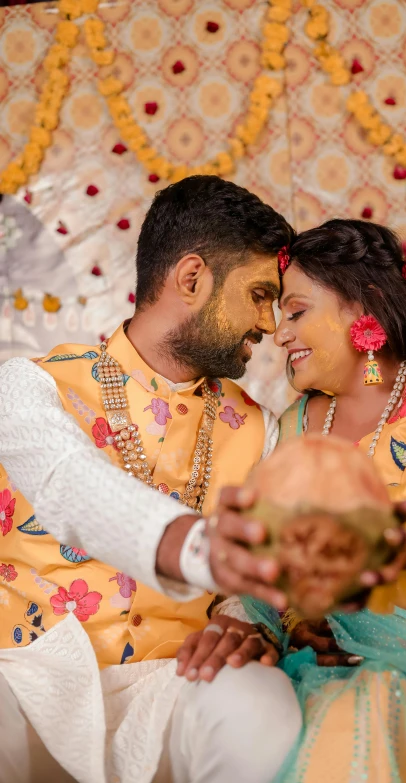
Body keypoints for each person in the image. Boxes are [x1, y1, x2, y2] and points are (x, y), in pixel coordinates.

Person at [182, 219, 406, 782]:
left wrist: (371, 594)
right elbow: (272, 557)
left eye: (295, 312)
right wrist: (296, 618)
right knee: (334, 722)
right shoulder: (295, 426)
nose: (279, 333)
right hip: (350, 657)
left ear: (367, 306)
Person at [0, 176, 304, 783]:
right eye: (260, 294)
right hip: (23, 674)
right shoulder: (28, 386)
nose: (269, 324)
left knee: (258, 706)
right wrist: (199, 548)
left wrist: (242, 618)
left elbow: (268, 569)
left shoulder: (263, 429)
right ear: (191, 279)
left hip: (174, 679)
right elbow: (66, 480)